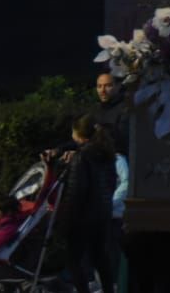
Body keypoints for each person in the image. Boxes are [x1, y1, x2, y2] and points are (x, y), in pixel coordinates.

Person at [54, 113, 118, 293]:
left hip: (82, 217)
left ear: (78, 134)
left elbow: (75, 191)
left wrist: (65, 220)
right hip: (102, 213)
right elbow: (111, 183)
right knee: (100, 258)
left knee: (74, 260)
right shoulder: (107, 154)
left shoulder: (81, 156)